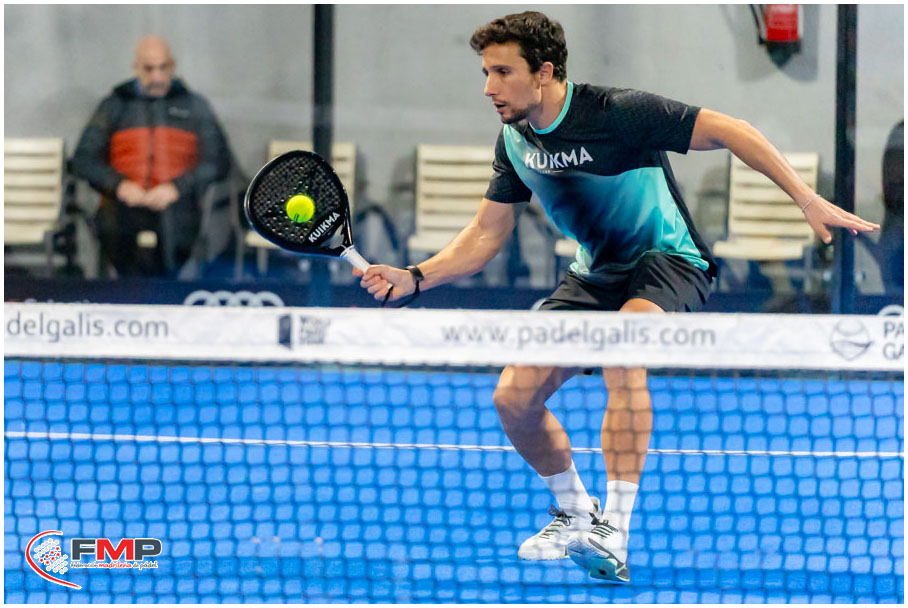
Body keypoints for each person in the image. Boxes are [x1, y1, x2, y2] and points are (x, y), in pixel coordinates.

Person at [356, 12, 878, 583]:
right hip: (595, 275)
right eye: (486, 72)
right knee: (513, 399)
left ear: (544, 72)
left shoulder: (616, 113)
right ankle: (577, 512)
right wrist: (415, 276)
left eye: (502, 72)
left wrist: (806, 199)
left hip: (667, 260)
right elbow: (486, 234)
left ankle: (615, 532)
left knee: (622, 352)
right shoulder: (515, 141)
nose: (489, 87)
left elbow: (732, 130)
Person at [71, 35, 230, 277]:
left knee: (177, 241)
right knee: (113, 231)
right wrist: (119, 185)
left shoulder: (194, 106)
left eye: (163, 68)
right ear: (136, 67)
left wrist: (177, 188)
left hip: (178, 211)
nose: (157, 77)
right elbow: (83, 159)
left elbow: (217, 160)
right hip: (122, 210)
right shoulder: (114, 106)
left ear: (172, 66)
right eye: (148, 68)